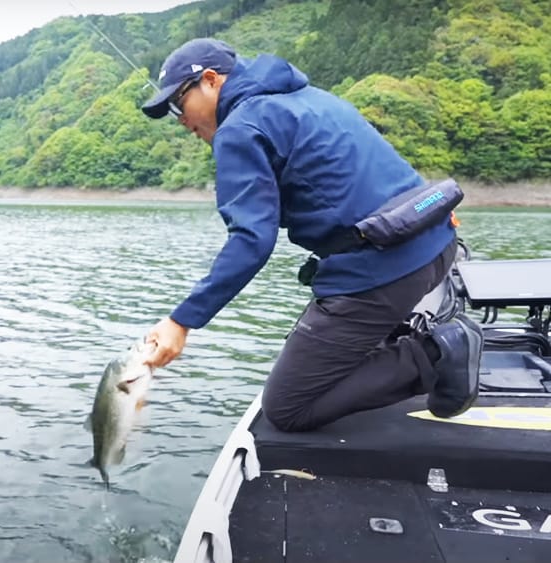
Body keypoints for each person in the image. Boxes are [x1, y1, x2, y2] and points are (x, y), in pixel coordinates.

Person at [138, 38, 482, 432]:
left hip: (385, 271)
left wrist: (181, 321)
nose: (180, 119)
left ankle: (436, 353)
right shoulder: (308, 96)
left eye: (178, 105)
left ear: (212, 81)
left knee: (287, 408)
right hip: (437, 243)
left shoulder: (239, 130)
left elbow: (251, 241)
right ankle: (412, 345)